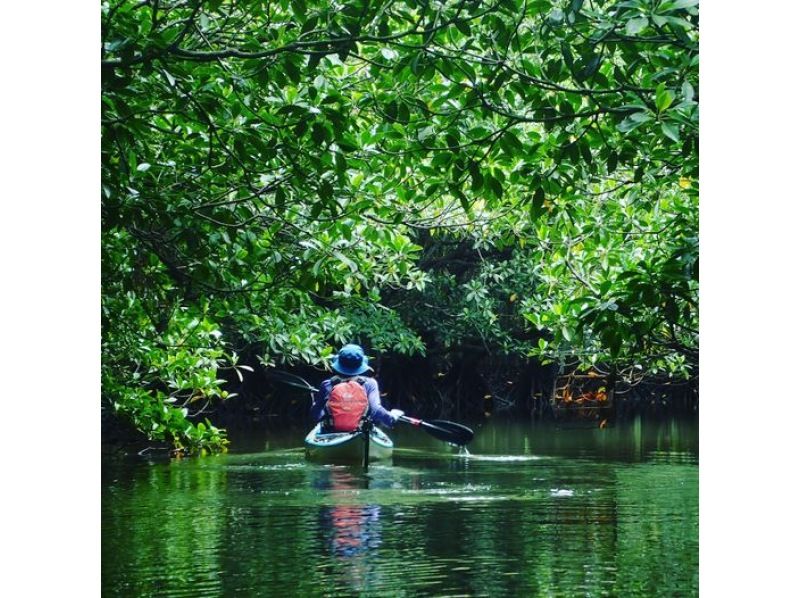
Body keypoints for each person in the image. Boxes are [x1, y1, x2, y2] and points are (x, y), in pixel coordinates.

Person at [310, 344, 403, 430]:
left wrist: (323, 420)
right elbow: (376, 410)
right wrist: (391, 418)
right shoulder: (370, 384)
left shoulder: (327, 384)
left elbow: (316, 412)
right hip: (360, 430)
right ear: (361, 364)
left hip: (331, 431)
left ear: (339, 363)